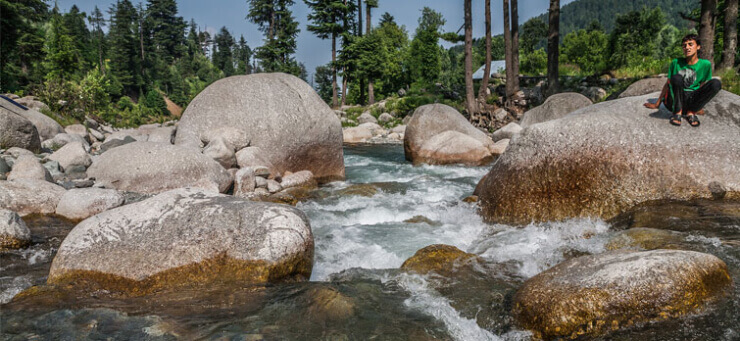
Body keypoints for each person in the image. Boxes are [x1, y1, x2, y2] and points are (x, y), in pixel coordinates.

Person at [644, 34, 722, 127]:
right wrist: (657, 104)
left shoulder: (705, 65)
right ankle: (678, 112)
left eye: (690, 44)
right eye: (684, 45)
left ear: (698, 47)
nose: (687, 48)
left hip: (691, 100)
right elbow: (668, 84)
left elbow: (702, 85)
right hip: (675, 101)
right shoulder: (676, 62)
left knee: (716, 83)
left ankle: (691, 112)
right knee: (677, 78)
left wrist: (699, 105)